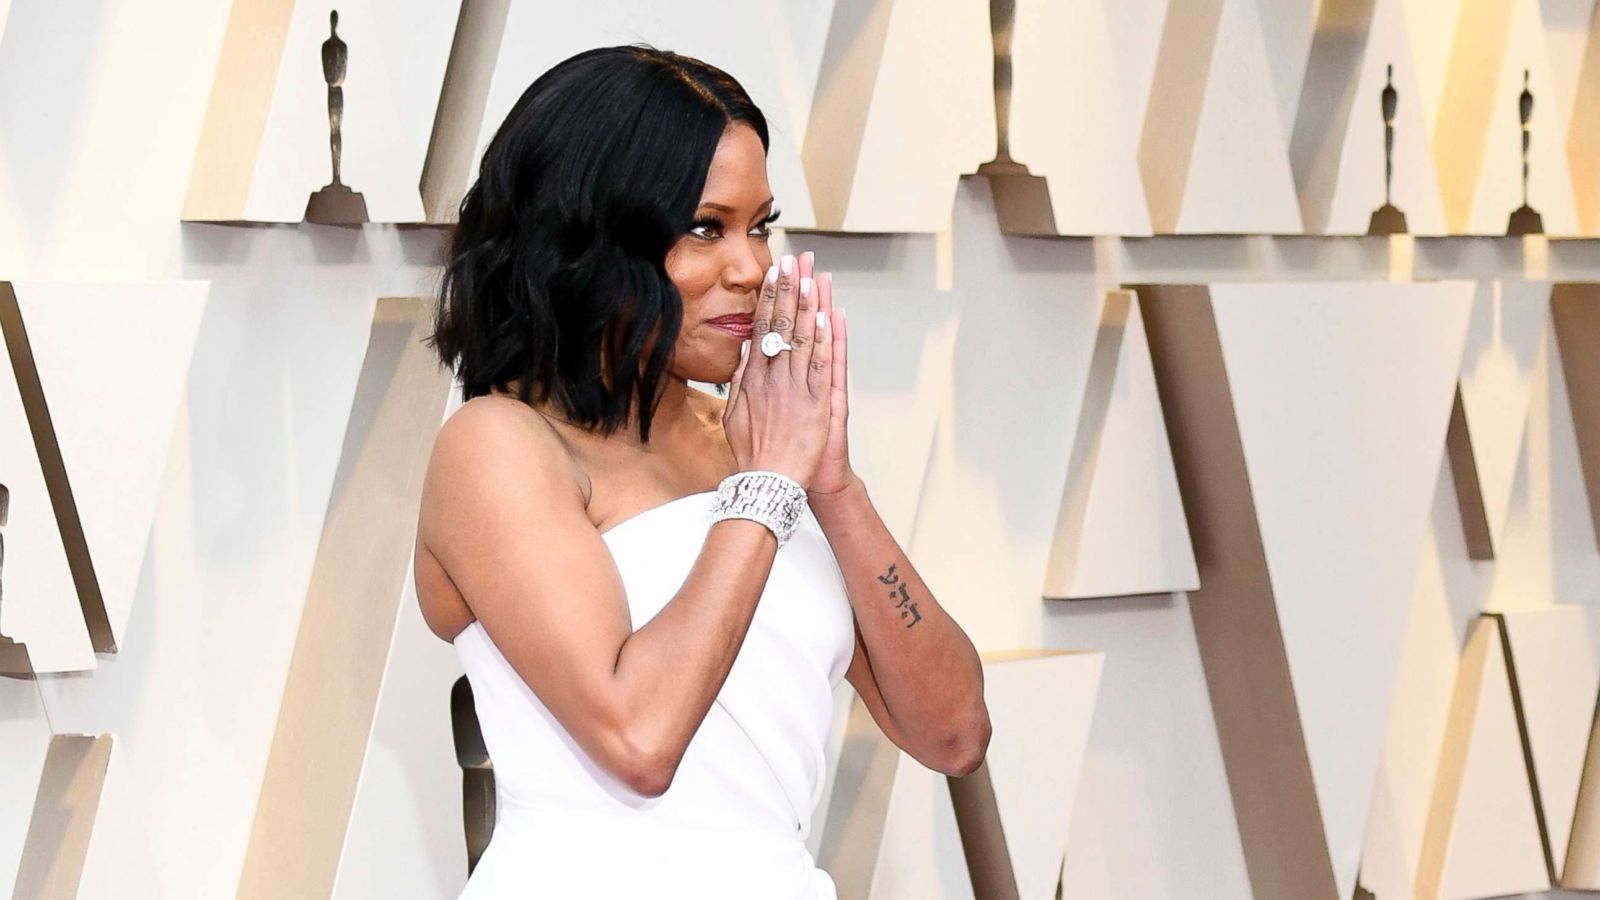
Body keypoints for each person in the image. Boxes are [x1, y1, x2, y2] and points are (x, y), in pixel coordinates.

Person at [413, 44, 991, 899]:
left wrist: (830, 483)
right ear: (588, 239)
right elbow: (639, 740)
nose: (752, 268)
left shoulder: (758, 445)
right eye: (704, 228)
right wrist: (763, 494)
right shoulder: (499, 446)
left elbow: (952, 734)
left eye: (760, 225)